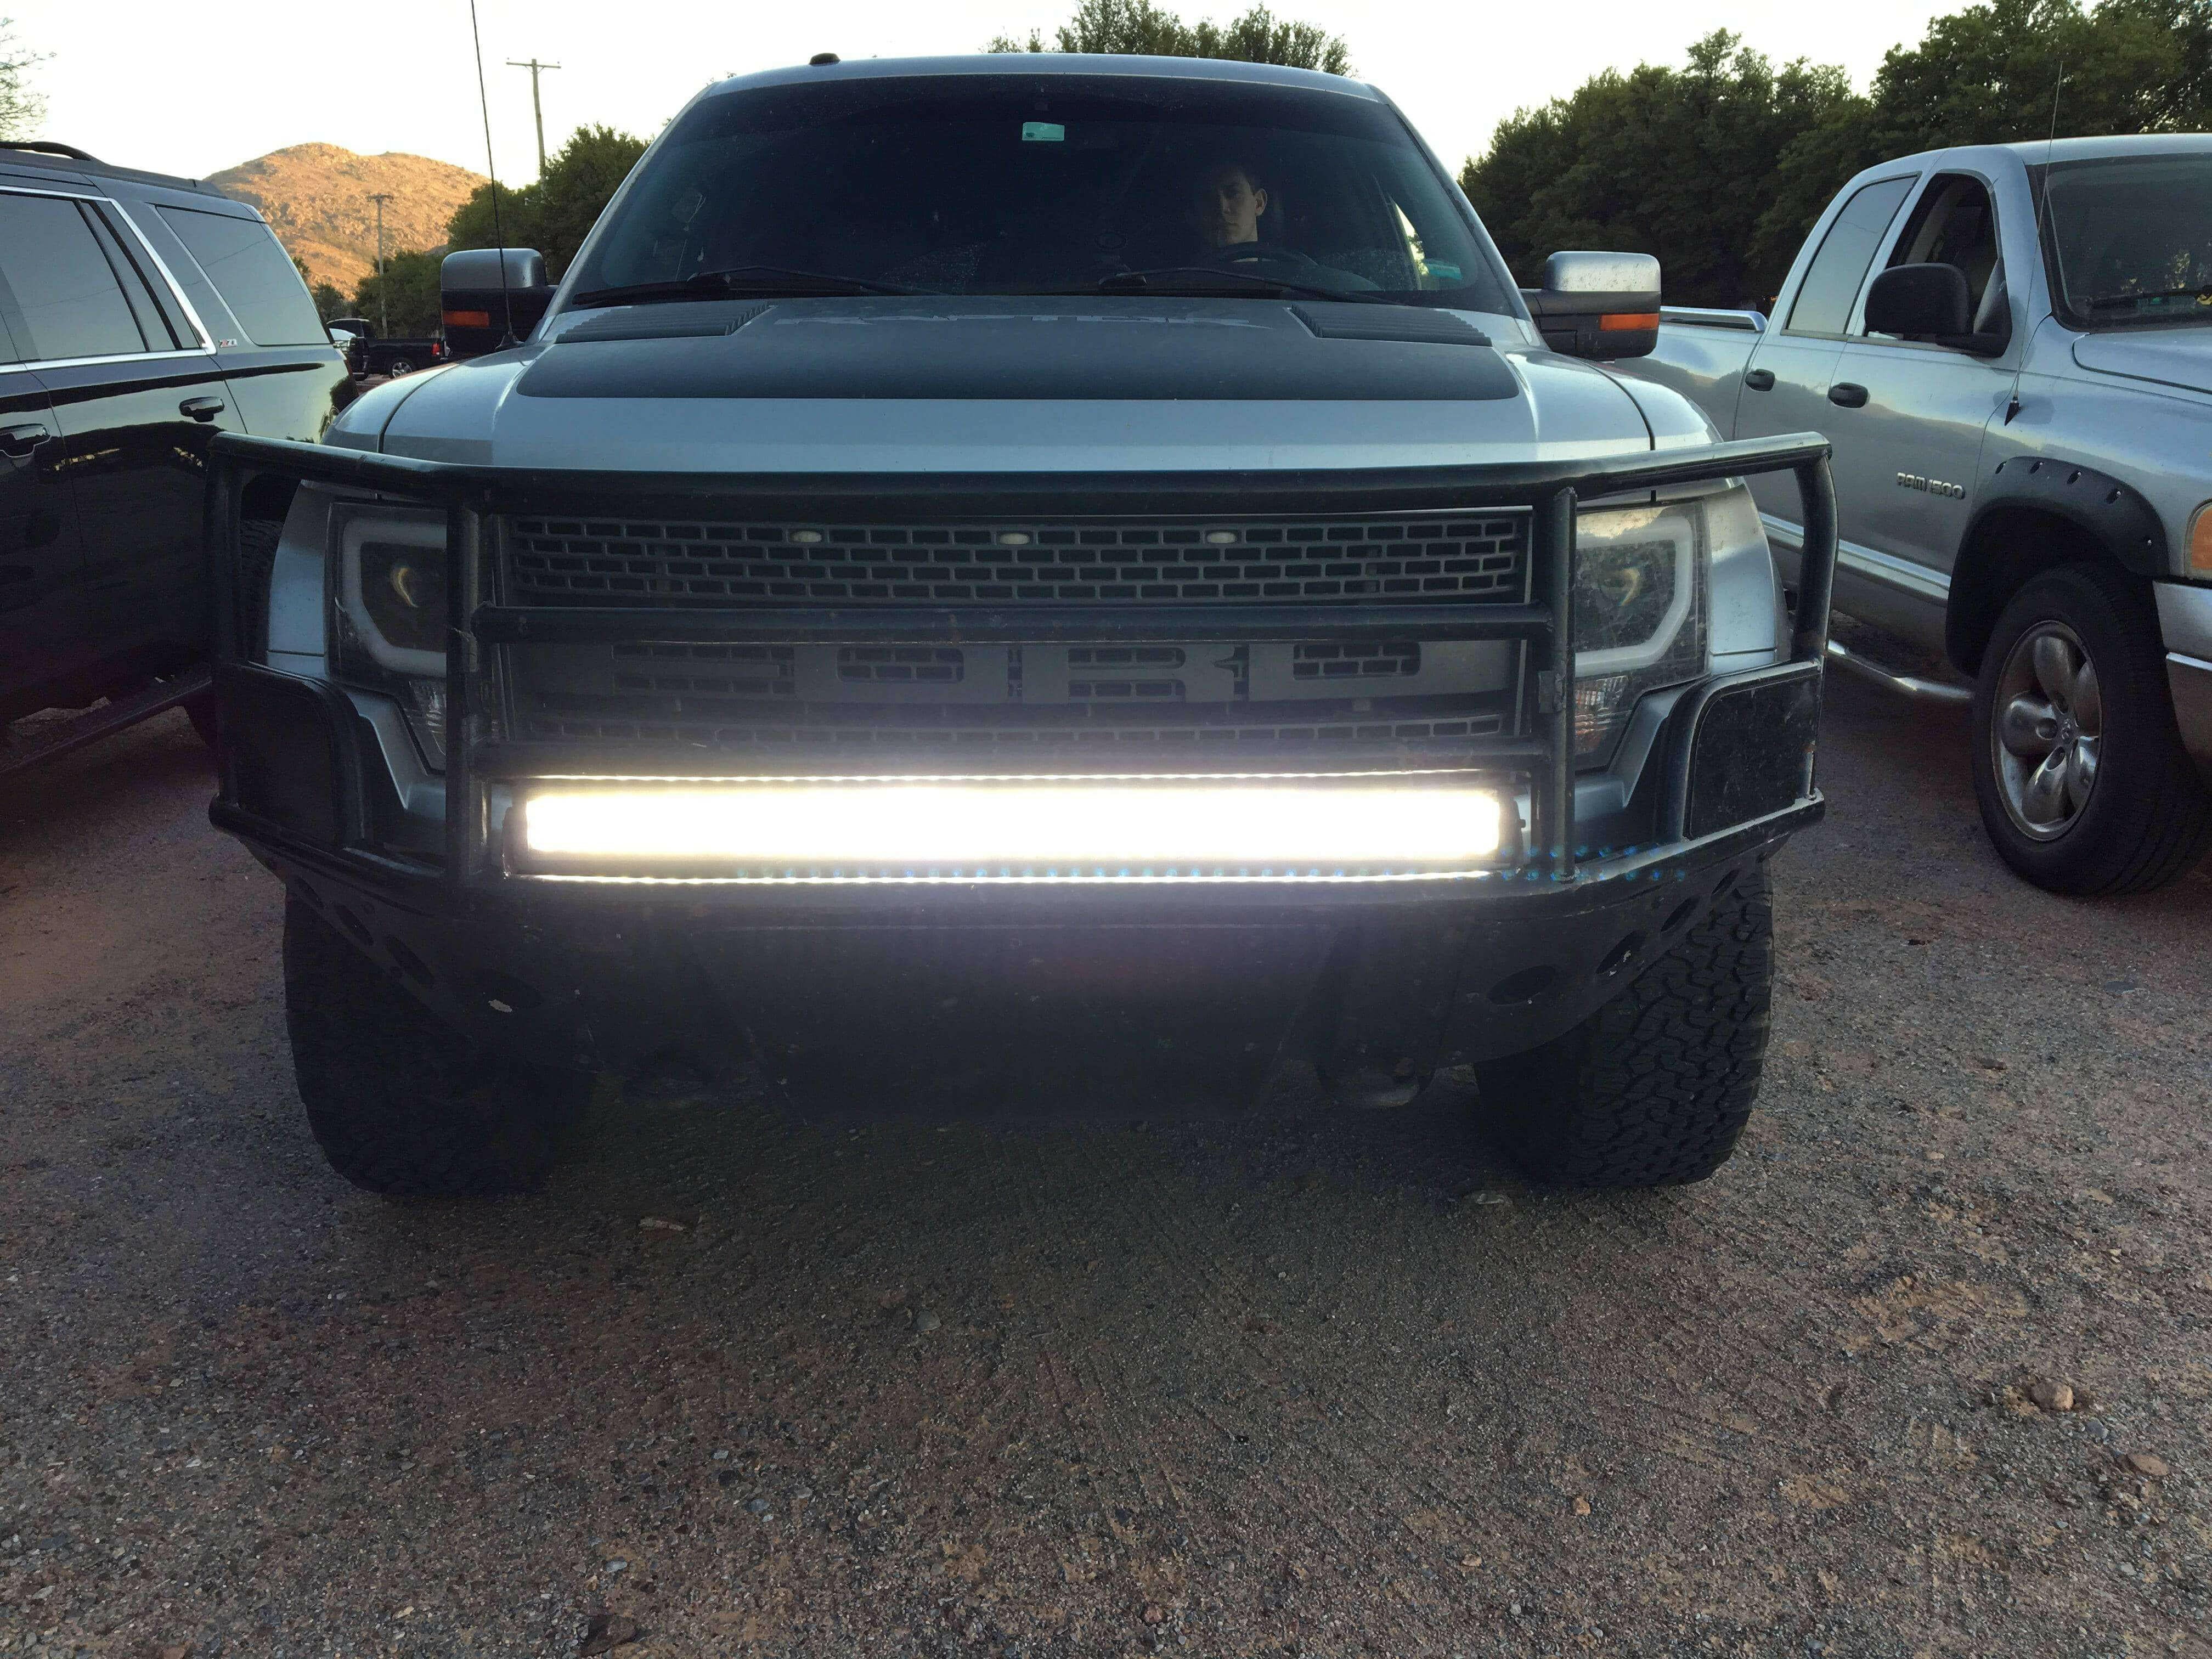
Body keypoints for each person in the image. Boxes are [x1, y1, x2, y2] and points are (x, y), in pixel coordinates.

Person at [1189, 159, 1269, 252]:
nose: (1222, 207)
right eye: (1209, 199)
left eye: (1234, 193)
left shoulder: (1283, 266)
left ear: (1259, 203)